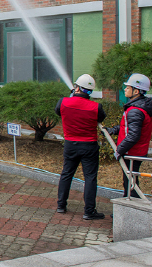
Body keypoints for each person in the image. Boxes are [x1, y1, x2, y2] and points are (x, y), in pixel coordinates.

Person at [55, 74, 106, 220]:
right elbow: (101, 117)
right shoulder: (96, 107)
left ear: (77, 88)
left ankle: (61, 205)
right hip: (89, 146)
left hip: (70, 145)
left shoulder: (63, 102)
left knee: (66, 174)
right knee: (90, 178)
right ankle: (89, 211)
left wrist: (71, 98)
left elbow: (58, 111)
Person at [107, 73, 152, 198]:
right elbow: (127, 127)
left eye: (128, 87)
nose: (125, 89)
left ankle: (130, 207)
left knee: (130, 183)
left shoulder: (135, 110)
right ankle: (129, 204)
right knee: (130, 180)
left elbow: (133, 135)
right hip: (136, 151)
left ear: (136, 91)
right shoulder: (138, 107)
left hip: (132, 153)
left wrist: (119, 150)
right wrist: (113, 130)